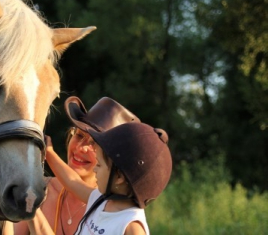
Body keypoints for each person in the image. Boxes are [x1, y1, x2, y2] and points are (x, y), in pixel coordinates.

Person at [0, 96, 140, 234]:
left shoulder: (113, 211)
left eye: (94, 144)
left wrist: (32, 209)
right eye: (79, 136)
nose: (81, 147)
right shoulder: (42, 190)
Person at [27, 96, 172, 235]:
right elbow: (72, 181)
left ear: (120, 176)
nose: (96, 168)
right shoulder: (101, 202)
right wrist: (49, 153)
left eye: (100, 165)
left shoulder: (130, 226)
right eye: (79, 135)